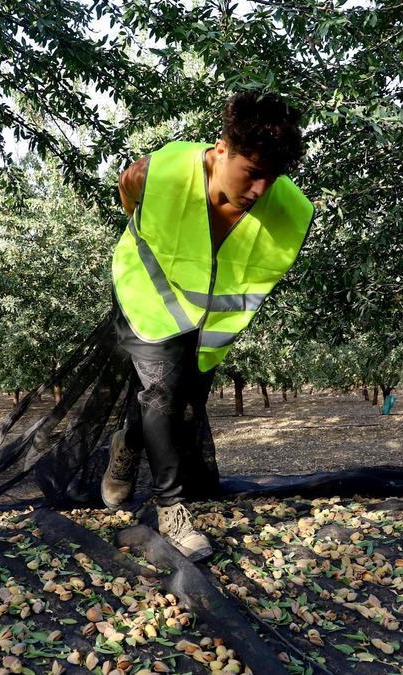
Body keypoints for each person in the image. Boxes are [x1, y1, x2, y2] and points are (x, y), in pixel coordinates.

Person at [102, 90, 314, 561]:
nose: (261, 190)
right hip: (147, 293)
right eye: (253, 173)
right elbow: (132, 196)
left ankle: (128, 442)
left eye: (273, 177)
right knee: (161, 393)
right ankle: (172, 509)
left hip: (206, 319)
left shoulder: (290, 209)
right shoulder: (159, 171)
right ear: (222, 150)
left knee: (179, 398)